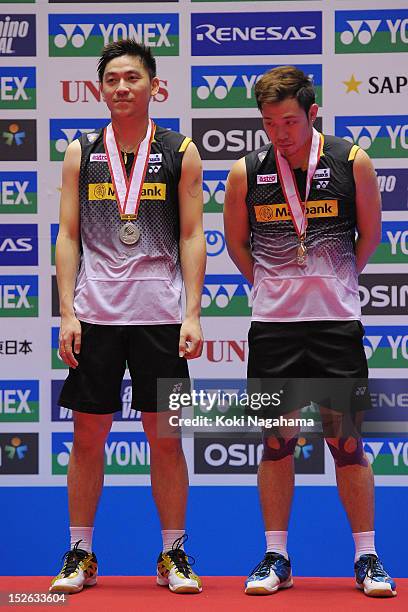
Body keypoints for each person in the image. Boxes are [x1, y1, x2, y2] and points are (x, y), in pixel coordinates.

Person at [224, 66, 396, 598]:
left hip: (336, 326)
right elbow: (237, 246)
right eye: (270, 122)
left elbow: (370, 236)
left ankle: (367, 558)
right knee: (277, 443)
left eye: (291, 121)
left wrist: (333, 281)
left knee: (346, 442)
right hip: (274, 330)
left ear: (312, 112)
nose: (281, 133)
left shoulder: (351, 161)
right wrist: (277, 287)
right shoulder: (245, 173)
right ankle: (276, 556)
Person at [50, 39, 205, 595]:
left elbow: (191, 234)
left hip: (160, 317)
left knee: (165, 438)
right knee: (88, 435)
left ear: (153, 86)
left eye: (132, 79)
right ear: (100, 88)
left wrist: (192, 312)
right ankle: (80, 552)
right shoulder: (81, 152)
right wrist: (67, 313)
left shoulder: (179, 150)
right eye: (112, 79)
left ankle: (173, 553)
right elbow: (67, 236)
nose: (122, 87)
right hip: (95, 316)